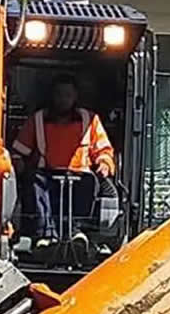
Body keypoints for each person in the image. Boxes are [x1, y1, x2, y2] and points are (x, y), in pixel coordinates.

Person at [11, 73, 115, 243]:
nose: (63, 99)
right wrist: (18, 164)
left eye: (67, 95)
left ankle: (76, 232)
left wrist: (104, 164)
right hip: (45, 176)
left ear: (75, 97)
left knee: (91, 183)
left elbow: (103, 150)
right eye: (59, 94)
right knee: (33, 180)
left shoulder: (90, 119)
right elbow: (18, 151)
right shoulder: (37, 119)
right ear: (52, 96)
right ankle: (45, 236)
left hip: (80, 177)